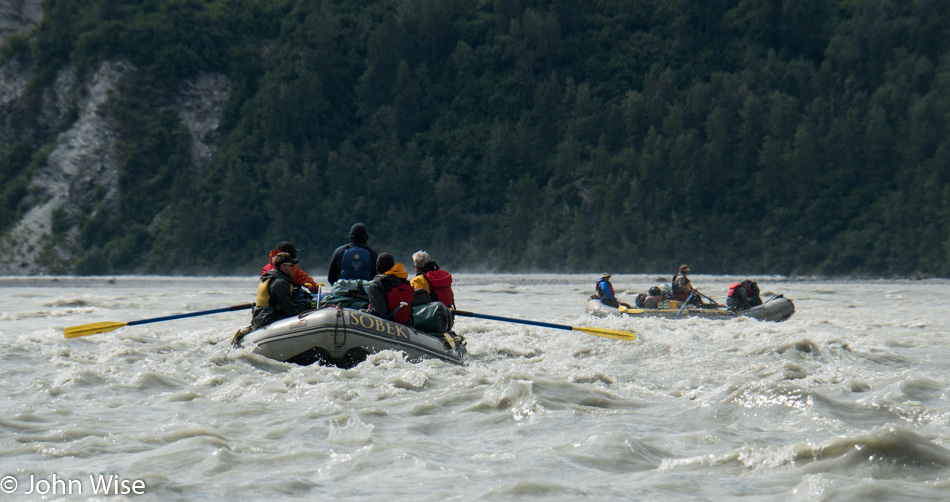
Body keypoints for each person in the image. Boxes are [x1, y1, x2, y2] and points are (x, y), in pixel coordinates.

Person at [250, 252, 300, 329]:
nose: (294, 267)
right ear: (283, 266)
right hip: (269, 319)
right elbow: (288, 308)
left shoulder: (273, 278)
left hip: (262, 317)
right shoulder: (279, 283)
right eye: (291, 265)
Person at [364, 253, 414, 325]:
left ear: (377, 267)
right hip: (406, 325)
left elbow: (378, 314)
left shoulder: (376, 285)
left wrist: (362, 312)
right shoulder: (403, 281)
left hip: (387, 327)